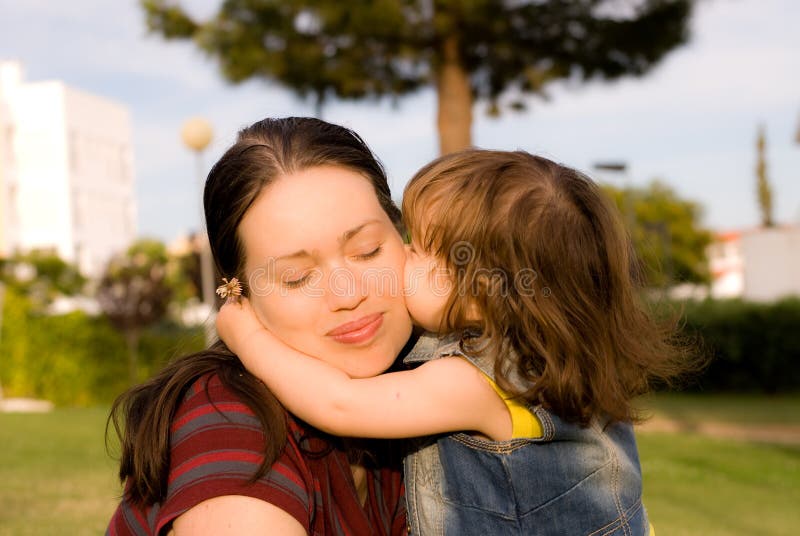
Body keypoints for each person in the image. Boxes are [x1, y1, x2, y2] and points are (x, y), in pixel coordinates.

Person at [217, 149, 697, 535]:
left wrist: (248, 336)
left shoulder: (473, 381)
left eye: (424, 251)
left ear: (482, 292)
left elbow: (340, 403)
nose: (404, 253)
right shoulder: (553, 357)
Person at [106, 117, 415, 536]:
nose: (348, 295)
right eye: (297, 277)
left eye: (367, 251)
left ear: (404, 240)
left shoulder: (430, 375)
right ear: (240, 295)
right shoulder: (227, 420)